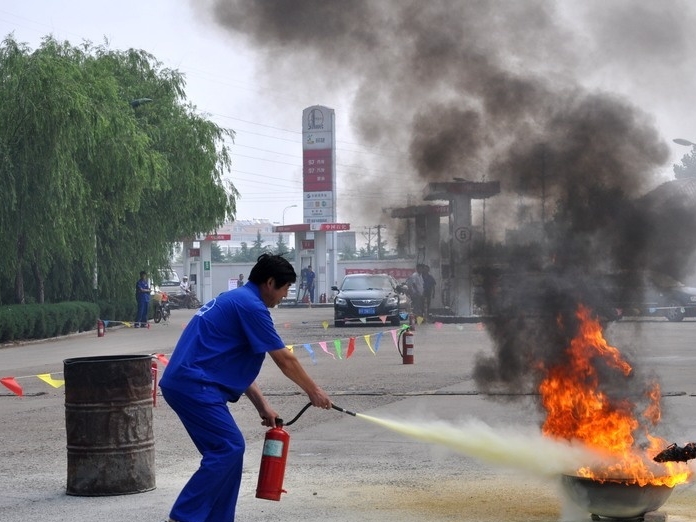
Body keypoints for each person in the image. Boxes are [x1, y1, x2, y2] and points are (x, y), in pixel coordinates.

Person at [159, 253, 332, 522]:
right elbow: (285, 359)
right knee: (228, 447)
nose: (285, 295)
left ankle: (219, 518)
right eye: (285, 288)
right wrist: (314, 390)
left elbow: (229, 360)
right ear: (271, 282)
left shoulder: (238, 299)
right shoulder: (251, 307)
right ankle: (184, 516)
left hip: (192, 382)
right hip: (194, 383)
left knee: (229, 454)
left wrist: (262, 405)